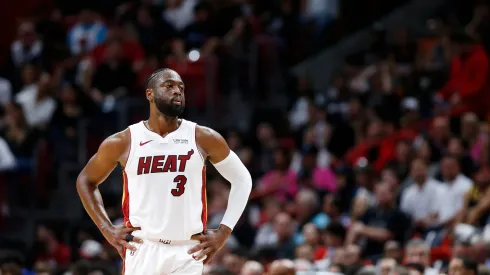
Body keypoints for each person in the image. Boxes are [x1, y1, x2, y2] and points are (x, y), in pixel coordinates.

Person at [76, 68, 252, 274]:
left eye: (181, 88)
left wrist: (224, 230)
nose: (177, 91)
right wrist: (106, 228)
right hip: (143, 247)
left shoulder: (203, 137)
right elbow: (86, 180)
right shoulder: (124, 141)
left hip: (188, 248)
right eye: (169, 86)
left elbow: (242, 179)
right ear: (149, 94)